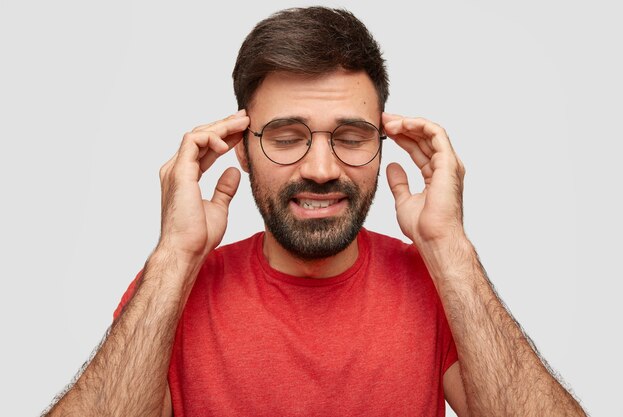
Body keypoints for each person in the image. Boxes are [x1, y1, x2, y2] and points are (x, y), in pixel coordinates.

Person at [45, 6, 586, 417]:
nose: (322, 168)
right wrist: (174, 254)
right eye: (286, 137)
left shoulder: (438, 280)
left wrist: (450, 248)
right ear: (241, 146)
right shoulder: (172, 285)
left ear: (383, 142)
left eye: (351, 137)